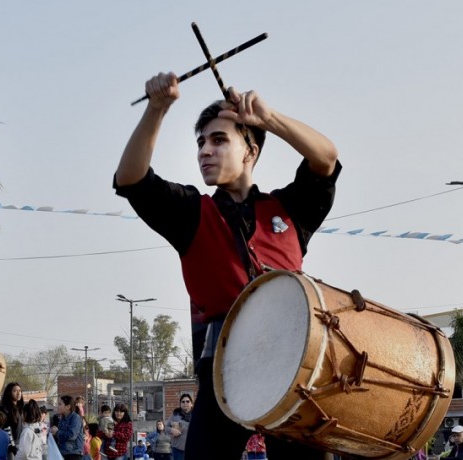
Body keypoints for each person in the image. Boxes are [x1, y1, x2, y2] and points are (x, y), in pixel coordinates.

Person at [114, 70, 340, 460]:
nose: (204, 150)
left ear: (250, 151)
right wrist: (157, 110)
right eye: (201, 142)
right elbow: (131, 179)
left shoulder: (290, 209)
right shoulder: (190, 212)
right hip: (224, 375)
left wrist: (269, 119)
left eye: (219, 140)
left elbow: (326, 157)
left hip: (295, 373)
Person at [52, 396, 83, 460]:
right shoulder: (62, 419)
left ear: (68, 407)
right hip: (63, 453)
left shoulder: (75, 418)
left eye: (60, 404)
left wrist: (57, 432)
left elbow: (72, 435)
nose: (58, 406)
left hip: (73, 454)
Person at [163, 395, 191, 460]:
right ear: (180, 404)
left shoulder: (196, 415)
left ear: (191, 404)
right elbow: (166, 428)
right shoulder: (175, 415)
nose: (185, 403)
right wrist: (172, 430)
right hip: (178, 450)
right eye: (183, 402)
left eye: (187, 401)